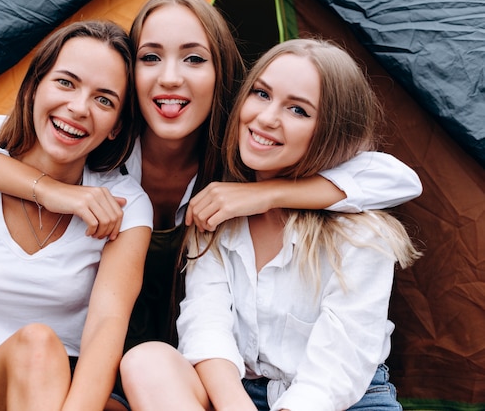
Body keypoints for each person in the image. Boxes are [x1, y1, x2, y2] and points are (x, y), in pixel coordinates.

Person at [0, 0, 421, 352]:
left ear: (222, 74)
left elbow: (394, 178)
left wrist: (263, 196)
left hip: (204, 359)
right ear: (130, 74)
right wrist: (53, 192)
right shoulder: (95, 145)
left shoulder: (243, 157)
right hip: (96, 356)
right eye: (150, 57)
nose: (169, 78)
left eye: (194, 59)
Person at [119, 38, 422, 411]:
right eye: (261, 94)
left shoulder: (359, 234)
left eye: (298, 110)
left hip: (341, 397)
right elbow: (205, 325)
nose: (266, 118)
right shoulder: (219, 219)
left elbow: (338, 365)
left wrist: (269, 194)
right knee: (146, 361)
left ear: (330, 130)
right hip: (242, 392)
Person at [0, 21, 152, 411]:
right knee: (35, 342)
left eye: (104, 100)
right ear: (34, 87)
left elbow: (106, 327)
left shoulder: (122, 204)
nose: (79, 108)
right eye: (66, 83)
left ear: (117, 125)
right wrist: (52, 191)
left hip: (78, 386)